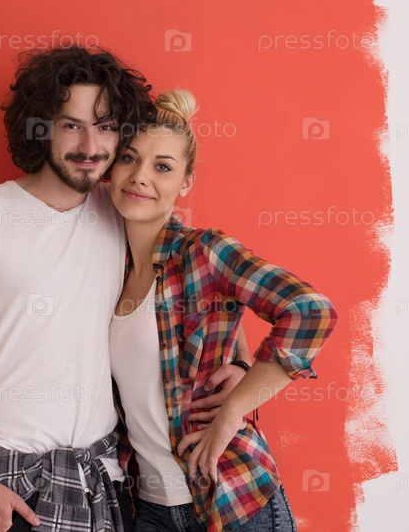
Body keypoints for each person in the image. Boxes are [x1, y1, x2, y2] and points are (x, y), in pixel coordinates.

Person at [0, 47, 243, 532]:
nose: (90, 145)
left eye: (105, 127)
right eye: (71, 125)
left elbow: (199, 277)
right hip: (6, 476)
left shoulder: (124, 210)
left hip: (102, 478)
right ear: (40, 127)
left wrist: (240, 364)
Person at [107, 90, 338, 531]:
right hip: (149, 507)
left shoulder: (204, 251)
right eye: (129, 159)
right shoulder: (108, 269)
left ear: (186, 183)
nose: (140, 177)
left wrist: (232, 412)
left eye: (163, 167)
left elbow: (311, 311)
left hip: (232, 498)